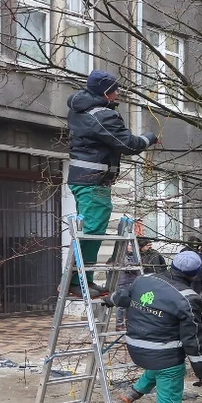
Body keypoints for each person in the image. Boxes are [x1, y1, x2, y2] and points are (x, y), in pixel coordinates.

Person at [110, 251, 202, 403]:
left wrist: (108, 299)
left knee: (163, 366)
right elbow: (193, 339)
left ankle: (136, 390)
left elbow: (122, 297)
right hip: (163, 357)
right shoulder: (189, 298)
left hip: (136, 348)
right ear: (195, 274)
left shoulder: (144, 279)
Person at [67, 69, 158, 296]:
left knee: (86, 229)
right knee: (92, 231)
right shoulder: (102, 115)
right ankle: (78, 282)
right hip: (94, 181)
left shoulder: (81, 108)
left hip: (84, 179)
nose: (118, 93)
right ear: (107, 92)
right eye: (115, 90)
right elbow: (128, 145)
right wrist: (150, 138)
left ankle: (78, 280)